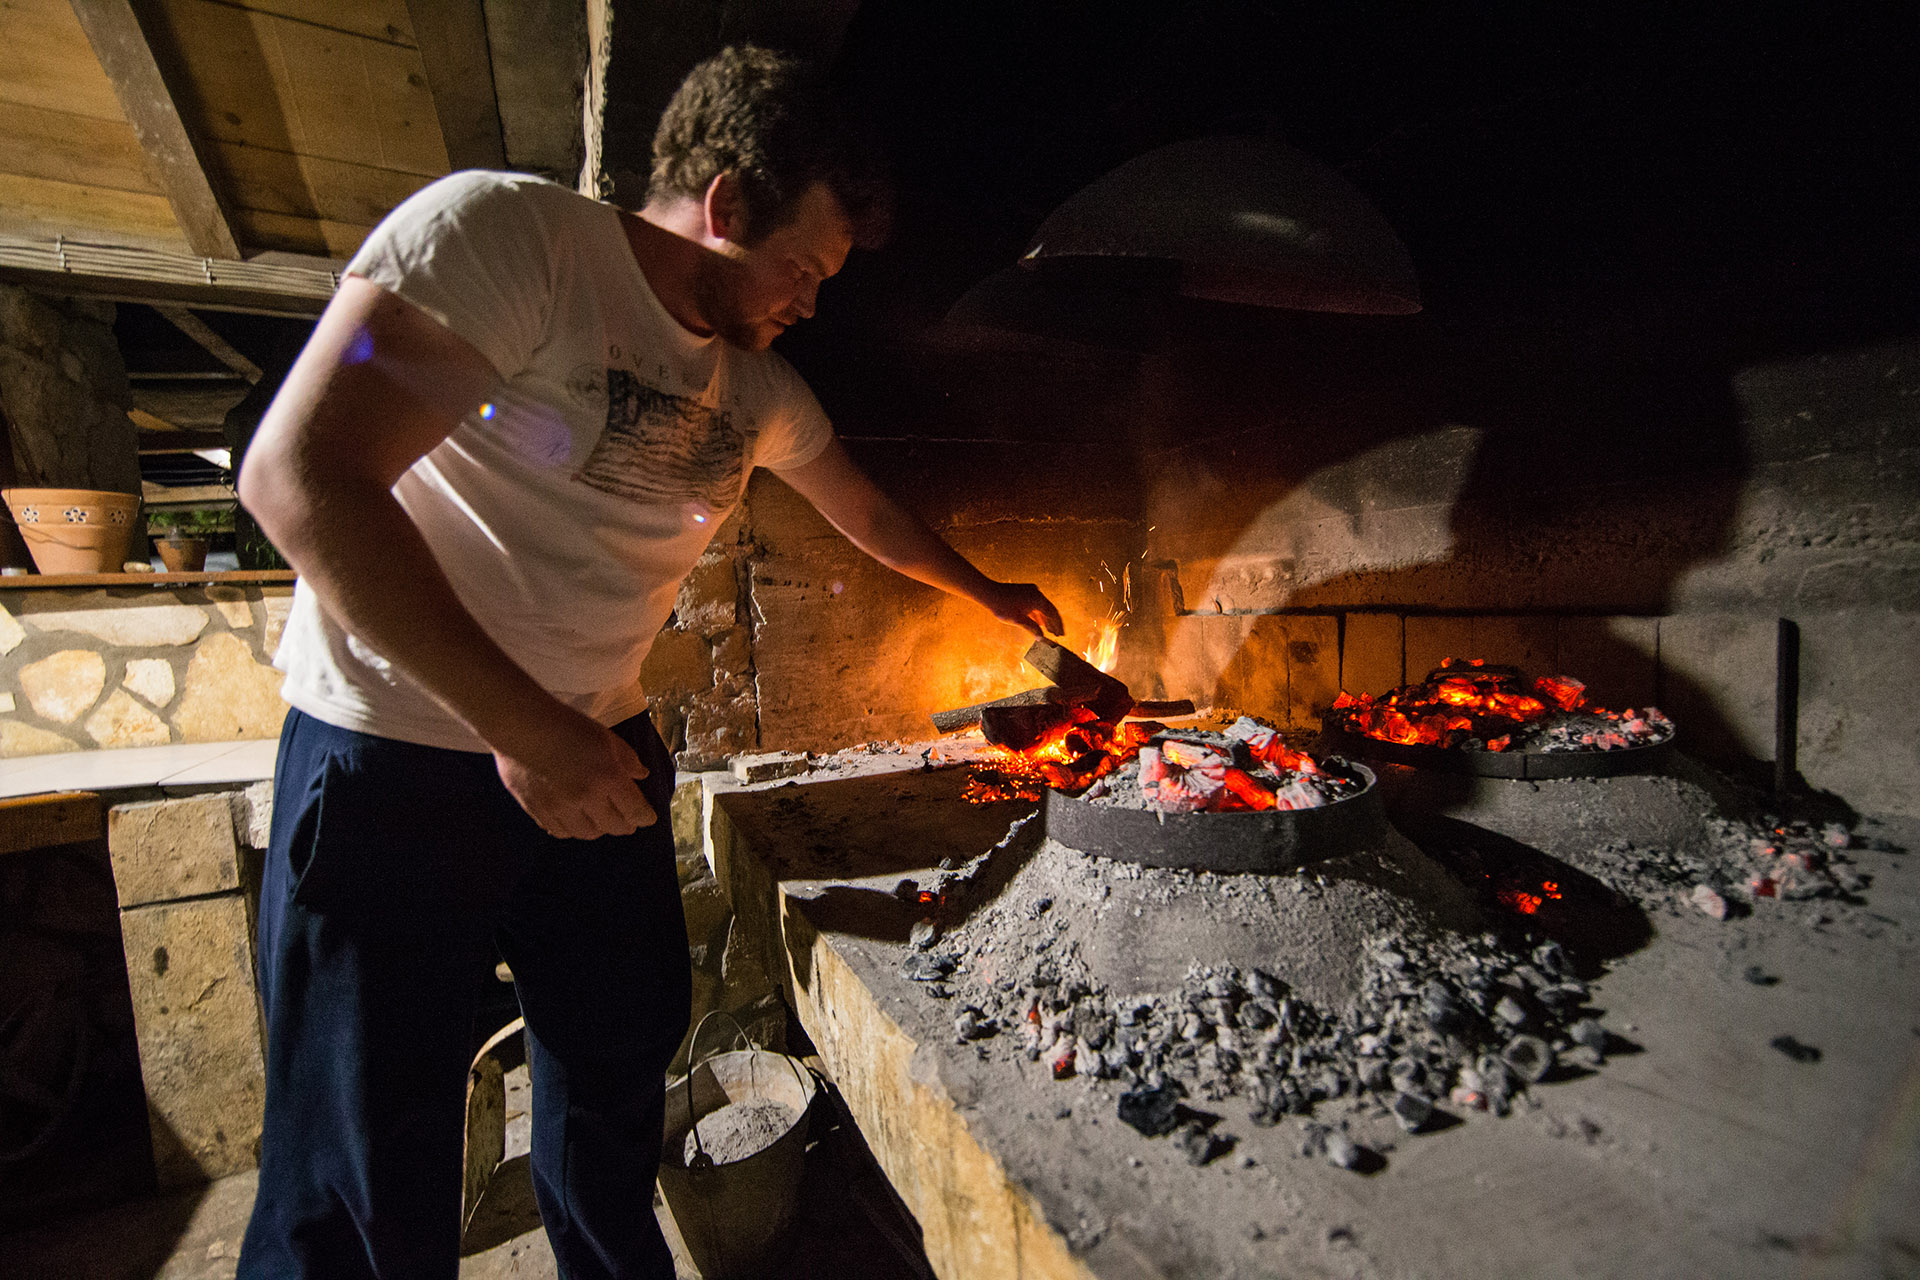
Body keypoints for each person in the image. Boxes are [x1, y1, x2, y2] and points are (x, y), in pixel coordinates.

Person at [235, 46, 1062, 1280]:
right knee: (362, 1166)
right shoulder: (509, 238)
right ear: (725, 205)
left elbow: (867, 514)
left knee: (617, 1078)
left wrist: (998, 598)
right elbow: (297, 478)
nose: (813, 302)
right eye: (803, 267)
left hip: (598, 741)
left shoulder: (755, 385)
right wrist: (524, 728)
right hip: (394, 752)